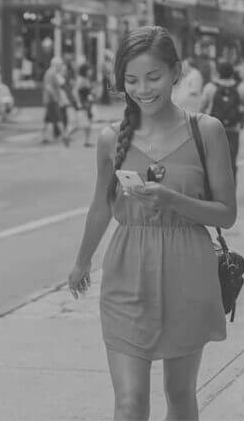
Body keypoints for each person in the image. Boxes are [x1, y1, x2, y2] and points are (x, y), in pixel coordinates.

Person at [67, 26, 234, 421]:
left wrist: (173, 200)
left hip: (188, 273)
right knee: (129, 402)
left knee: (178, 393)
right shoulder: (111, 138)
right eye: (131, 80)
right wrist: (82, 262)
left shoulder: (206, 130)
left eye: (153, 77)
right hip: (127, 273)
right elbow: (100, 206)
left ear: (175, 72)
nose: (142, 89)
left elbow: (227, 213)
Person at [199, 61, 244, 184]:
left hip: (213, 130)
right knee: (231, 162)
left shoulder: (210, 87)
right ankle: (231, 190)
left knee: (211, 162)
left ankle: (212, 191)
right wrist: (242, 122)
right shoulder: (240, 88)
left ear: (218, 73)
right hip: (233, 130)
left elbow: (201, 109)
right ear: (232, 73)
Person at [41, 56, 64, 143]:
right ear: (56, 64)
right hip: (51, 100)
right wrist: (55, 97)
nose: (62, 66)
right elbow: (48, 87)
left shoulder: (52, 73)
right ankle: (64, 136)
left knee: (47, 120)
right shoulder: (50, 73)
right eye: (61, 64)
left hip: (50, 99)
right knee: (58, 118)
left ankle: (43, 136)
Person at [74, 63, 95, 147]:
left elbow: (88, 91)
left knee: (88, 122)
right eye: (89, 69)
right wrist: (78, 103)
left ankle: (87, 141)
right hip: (83, 104)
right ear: (85, 71)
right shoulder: (81, 80)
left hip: (88, 103)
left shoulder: (86, 79)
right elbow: (75, 91)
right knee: (82, 124)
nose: (91, 71)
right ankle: (67, 134)